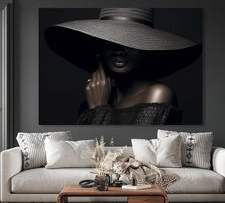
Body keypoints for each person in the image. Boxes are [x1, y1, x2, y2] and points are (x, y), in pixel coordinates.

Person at [45, 8, 201, 125]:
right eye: (109, 41)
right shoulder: (94, 98)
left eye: (130, 41)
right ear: (99, 49)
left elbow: (135, 155)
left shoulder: (158, 94)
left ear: (145, 49)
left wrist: (99, 109)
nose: (119, 50)